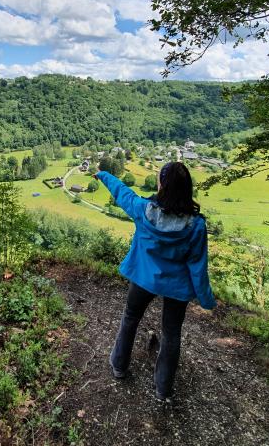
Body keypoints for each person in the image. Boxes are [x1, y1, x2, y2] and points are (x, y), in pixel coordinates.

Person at [95, 161, 216, 402]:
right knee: (171, 334)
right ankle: (163, 389)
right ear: (187, 188)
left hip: (143, 278)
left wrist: (103, 175)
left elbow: (122, 192)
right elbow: (198, 266)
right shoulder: (196, 225)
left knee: (130, 318)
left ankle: (119, 366)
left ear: (161, 185)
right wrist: (206, 300)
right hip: (177, 286)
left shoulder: (143, 210)